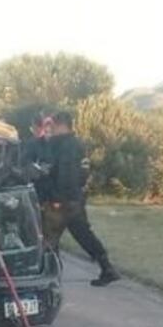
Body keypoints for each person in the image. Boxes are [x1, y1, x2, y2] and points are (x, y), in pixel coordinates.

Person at [32, 111, 120, 287]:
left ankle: (51, 277)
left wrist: (55, 196)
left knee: (48, 239)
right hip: (76, 199)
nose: (50, 129)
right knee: (84, 234)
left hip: (60, 201)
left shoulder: (62, 145)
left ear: (60, 125)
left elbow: (64, 174)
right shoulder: (78, 144)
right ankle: (107, 267)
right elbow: (83, 172)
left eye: (52, 125)